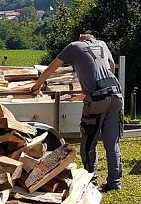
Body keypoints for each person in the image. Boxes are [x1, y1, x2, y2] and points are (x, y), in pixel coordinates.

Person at [30, 30, 123, 190]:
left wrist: (36, 87)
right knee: (111, 141)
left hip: (96, 98)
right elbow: (112, 65)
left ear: (81, 38)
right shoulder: (102, 44)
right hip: (116, 94)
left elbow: (51, 68)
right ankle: (115, 182)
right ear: (93, 38)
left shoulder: (74, 46)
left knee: (88, 142)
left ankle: (90, 181)